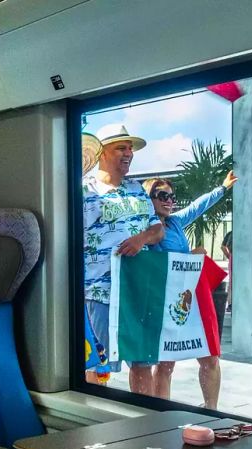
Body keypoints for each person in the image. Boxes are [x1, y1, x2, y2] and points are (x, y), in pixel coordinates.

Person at [142, 170, 237, 410]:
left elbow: (197, 207)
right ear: (147, 197)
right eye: (161, 195)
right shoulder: (143, 227)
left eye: (172, 197)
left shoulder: (174, 221)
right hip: (165, 301)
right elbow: (152, 263)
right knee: (165, 364)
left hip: (192, 297)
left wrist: (222, 188)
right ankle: (160, 414)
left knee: (210, 357)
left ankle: (211, 409)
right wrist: (190, 255)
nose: (168, 201)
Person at [84, 125, 164, 396]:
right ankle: (94, 424)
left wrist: (141, 239)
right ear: (101, 153)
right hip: (100, 293)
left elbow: (157, 230)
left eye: (130, 148)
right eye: (121, 147)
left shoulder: (138, 189)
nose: (129, 153)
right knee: (98, 364)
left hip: (137, 291)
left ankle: (144, 419)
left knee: (142, 362)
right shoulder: (85, 190)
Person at [221, 230, 232, 313]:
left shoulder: (231, 233)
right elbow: (225, 246)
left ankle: (230, 304)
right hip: (234, 256)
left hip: (233, 256)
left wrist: (228, 256)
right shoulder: (232, 233)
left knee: (232, 282)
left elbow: (223, 246)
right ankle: (231, 304)